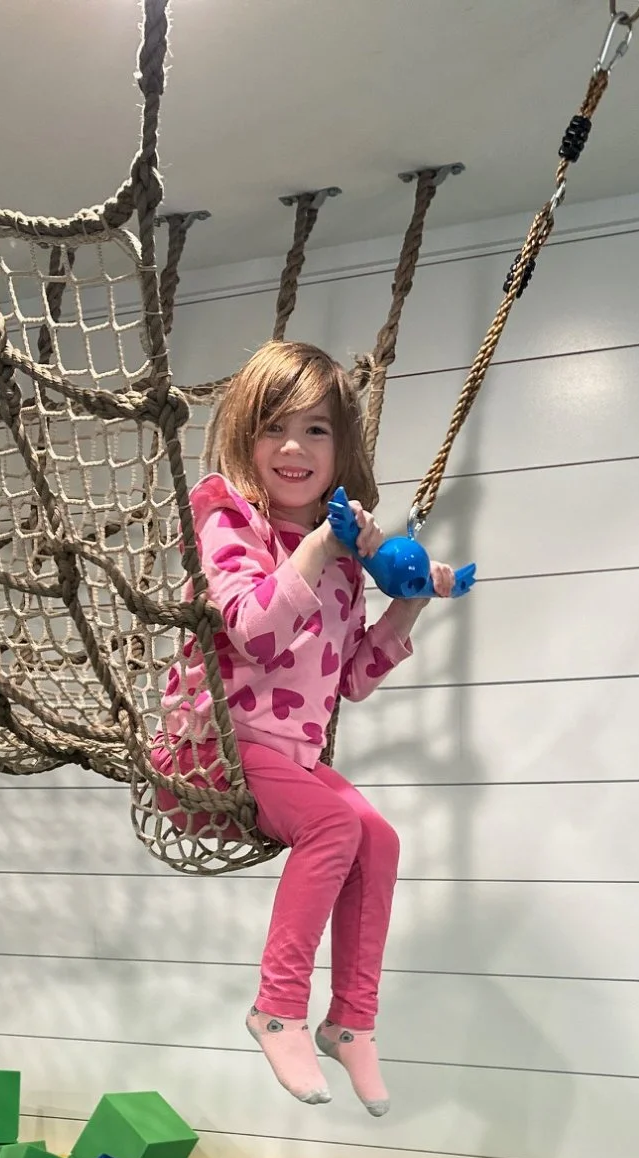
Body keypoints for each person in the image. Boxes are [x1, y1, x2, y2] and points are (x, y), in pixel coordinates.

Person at [166, 339, 462, 1115]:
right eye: (274, 428)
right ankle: (276, 1007)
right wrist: (320, 549)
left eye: (317, 431)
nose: (294, 448)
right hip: (213, 752)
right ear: (246, 440)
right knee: (334, 823)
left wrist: (406, 602)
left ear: (343, 450)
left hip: (287, 756)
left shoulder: (339, 560)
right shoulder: (227, 520)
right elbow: (253, 632)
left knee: (379, 838)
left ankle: (352, 1022)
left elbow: (352, 680)